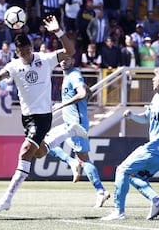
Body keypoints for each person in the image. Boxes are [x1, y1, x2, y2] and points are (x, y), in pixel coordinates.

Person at [0, 15, 86, 213]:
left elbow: (70, 51)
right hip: (27, 117)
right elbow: (3, 74)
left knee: (25, 152)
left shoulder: (45, 59)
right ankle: (69, 132)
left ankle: (7, 199)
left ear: (31, 47)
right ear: (16, 51)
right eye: (20, 51)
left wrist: (58, 32)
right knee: (39, 152)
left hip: (42, 116)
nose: (24, 53)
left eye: (26, 49)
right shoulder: (14, 65)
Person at [101, 66, 159, 220]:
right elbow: (146, 118)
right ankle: (156, 200)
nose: (152, 80)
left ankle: (118, 211)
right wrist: (132, 116)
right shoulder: (157, 98)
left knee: (122, 170)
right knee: (133, 176)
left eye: (155, 77)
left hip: (158, 149)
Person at [44, 55, 110, 207]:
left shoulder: (74, 75)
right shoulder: (67, 75)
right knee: (44, 140)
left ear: (72, 60)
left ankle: (101, 191)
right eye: (61, 58)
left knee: (84, 158)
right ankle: (72, 162)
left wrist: (61, 105)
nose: (63, 61)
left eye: (66, 58)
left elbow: (82, 94)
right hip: (69, 123)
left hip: (76, 125)